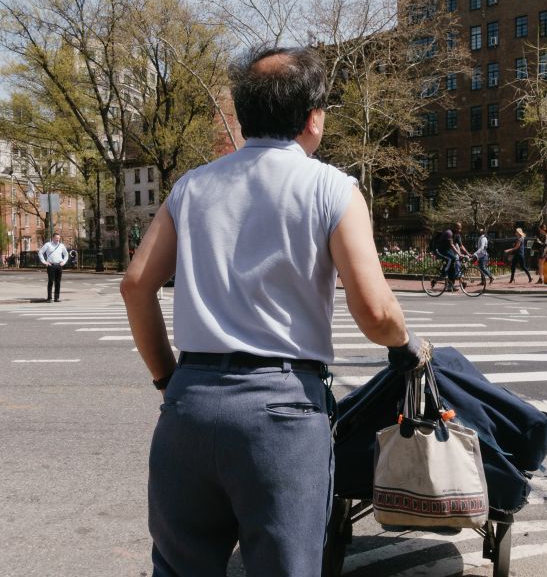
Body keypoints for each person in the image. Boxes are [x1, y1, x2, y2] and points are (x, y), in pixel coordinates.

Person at [120, 45, 430, 577]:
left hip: (189, 405)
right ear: (313, 117)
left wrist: (167, 380)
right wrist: (405, 348)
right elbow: (376, 311)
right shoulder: (331, 188)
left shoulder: (191, 187)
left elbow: (135, 285)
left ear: (244, 114)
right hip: (280, 412)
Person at [38, 232, 69, 302]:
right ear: (53, 238)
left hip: (59, 265)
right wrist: (44, 262)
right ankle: (49, 298)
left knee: (58, 282)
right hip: (51, 265)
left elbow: (66, 255)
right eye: (56, 238)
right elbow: (40, 252)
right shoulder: (48, 245)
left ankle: (56, 297)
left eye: (58, 238)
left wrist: (63, 262)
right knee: (51, 281)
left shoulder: (61, 246)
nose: (57, 240)